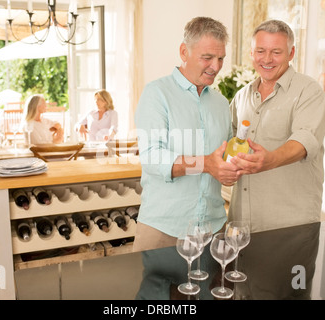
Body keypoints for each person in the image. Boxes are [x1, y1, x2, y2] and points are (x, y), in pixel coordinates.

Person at [133, 17, 239, 299]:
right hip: (165, 231)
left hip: (214, 232)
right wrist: (206, 164)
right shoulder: (157, 94)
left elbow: (223, 156)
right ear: (184, 52)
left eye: (220, 58)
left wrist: (238, 161)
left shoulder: (219, 103)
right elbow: (153, 159)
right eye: (207, 57)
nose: (215, 66)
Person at [228, 20, 325, 233]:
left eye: (276, 52)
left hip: (289, 223)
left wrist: (270, 160)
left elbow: (304, 141)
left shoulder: (309, 92)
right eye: (260, 51)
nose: (267, 59)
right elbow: (229, 141)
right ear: (251, 53)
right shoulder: (242, 96)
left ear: (291, 53)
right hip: (242, 222)